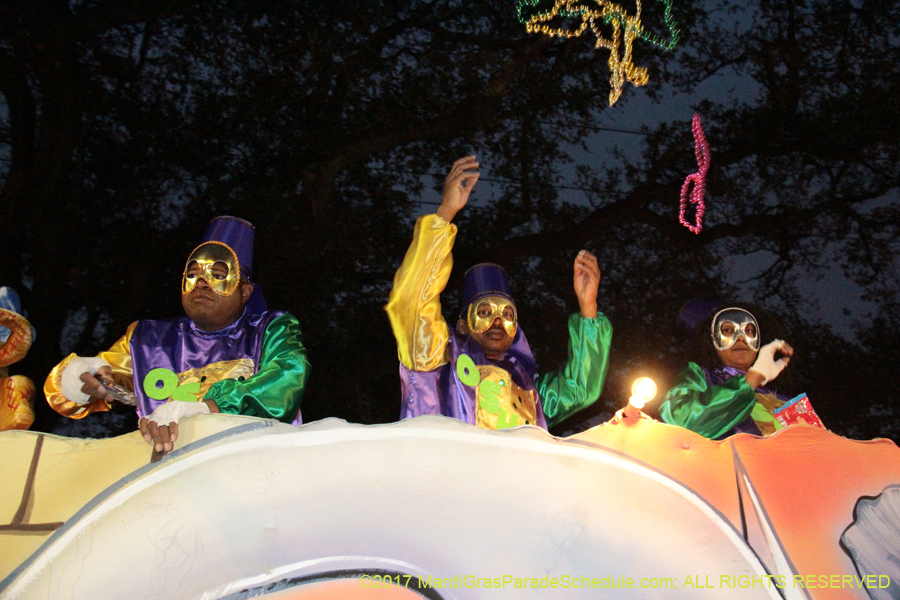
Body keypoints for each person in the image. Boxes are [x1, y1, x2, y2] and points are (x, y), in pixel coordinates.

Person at [45, 216, 311, 453]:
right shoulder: (146, 339)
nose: (202, 282)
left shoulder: (272, 328)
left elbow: (286, 378)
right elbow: (65, 397)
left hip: (254, 469)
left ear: (245, 292)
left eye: (218, 274)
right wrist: (78, 376)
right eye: (192, 273)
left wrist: (204, 410)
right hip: (164, 477)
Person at [385, 156, 612, 430]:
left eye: (507, 314)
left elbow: (580, 388)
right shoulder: (436, 358)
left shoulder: (529, 389)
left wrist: (588, 307)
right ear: (462, 324)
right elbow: (413, 300)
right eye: (484, 312)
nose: (497, 321)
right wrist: (445, 211)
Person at [658, 299, 804, 439]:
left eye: (749, 331)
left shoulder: (786, 401)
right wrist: (752, 380)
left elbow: (818, 452)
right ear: (711, 340)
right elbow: (684, 424)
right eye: (728, 330)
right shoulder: (699, 376)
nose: (741, 338)